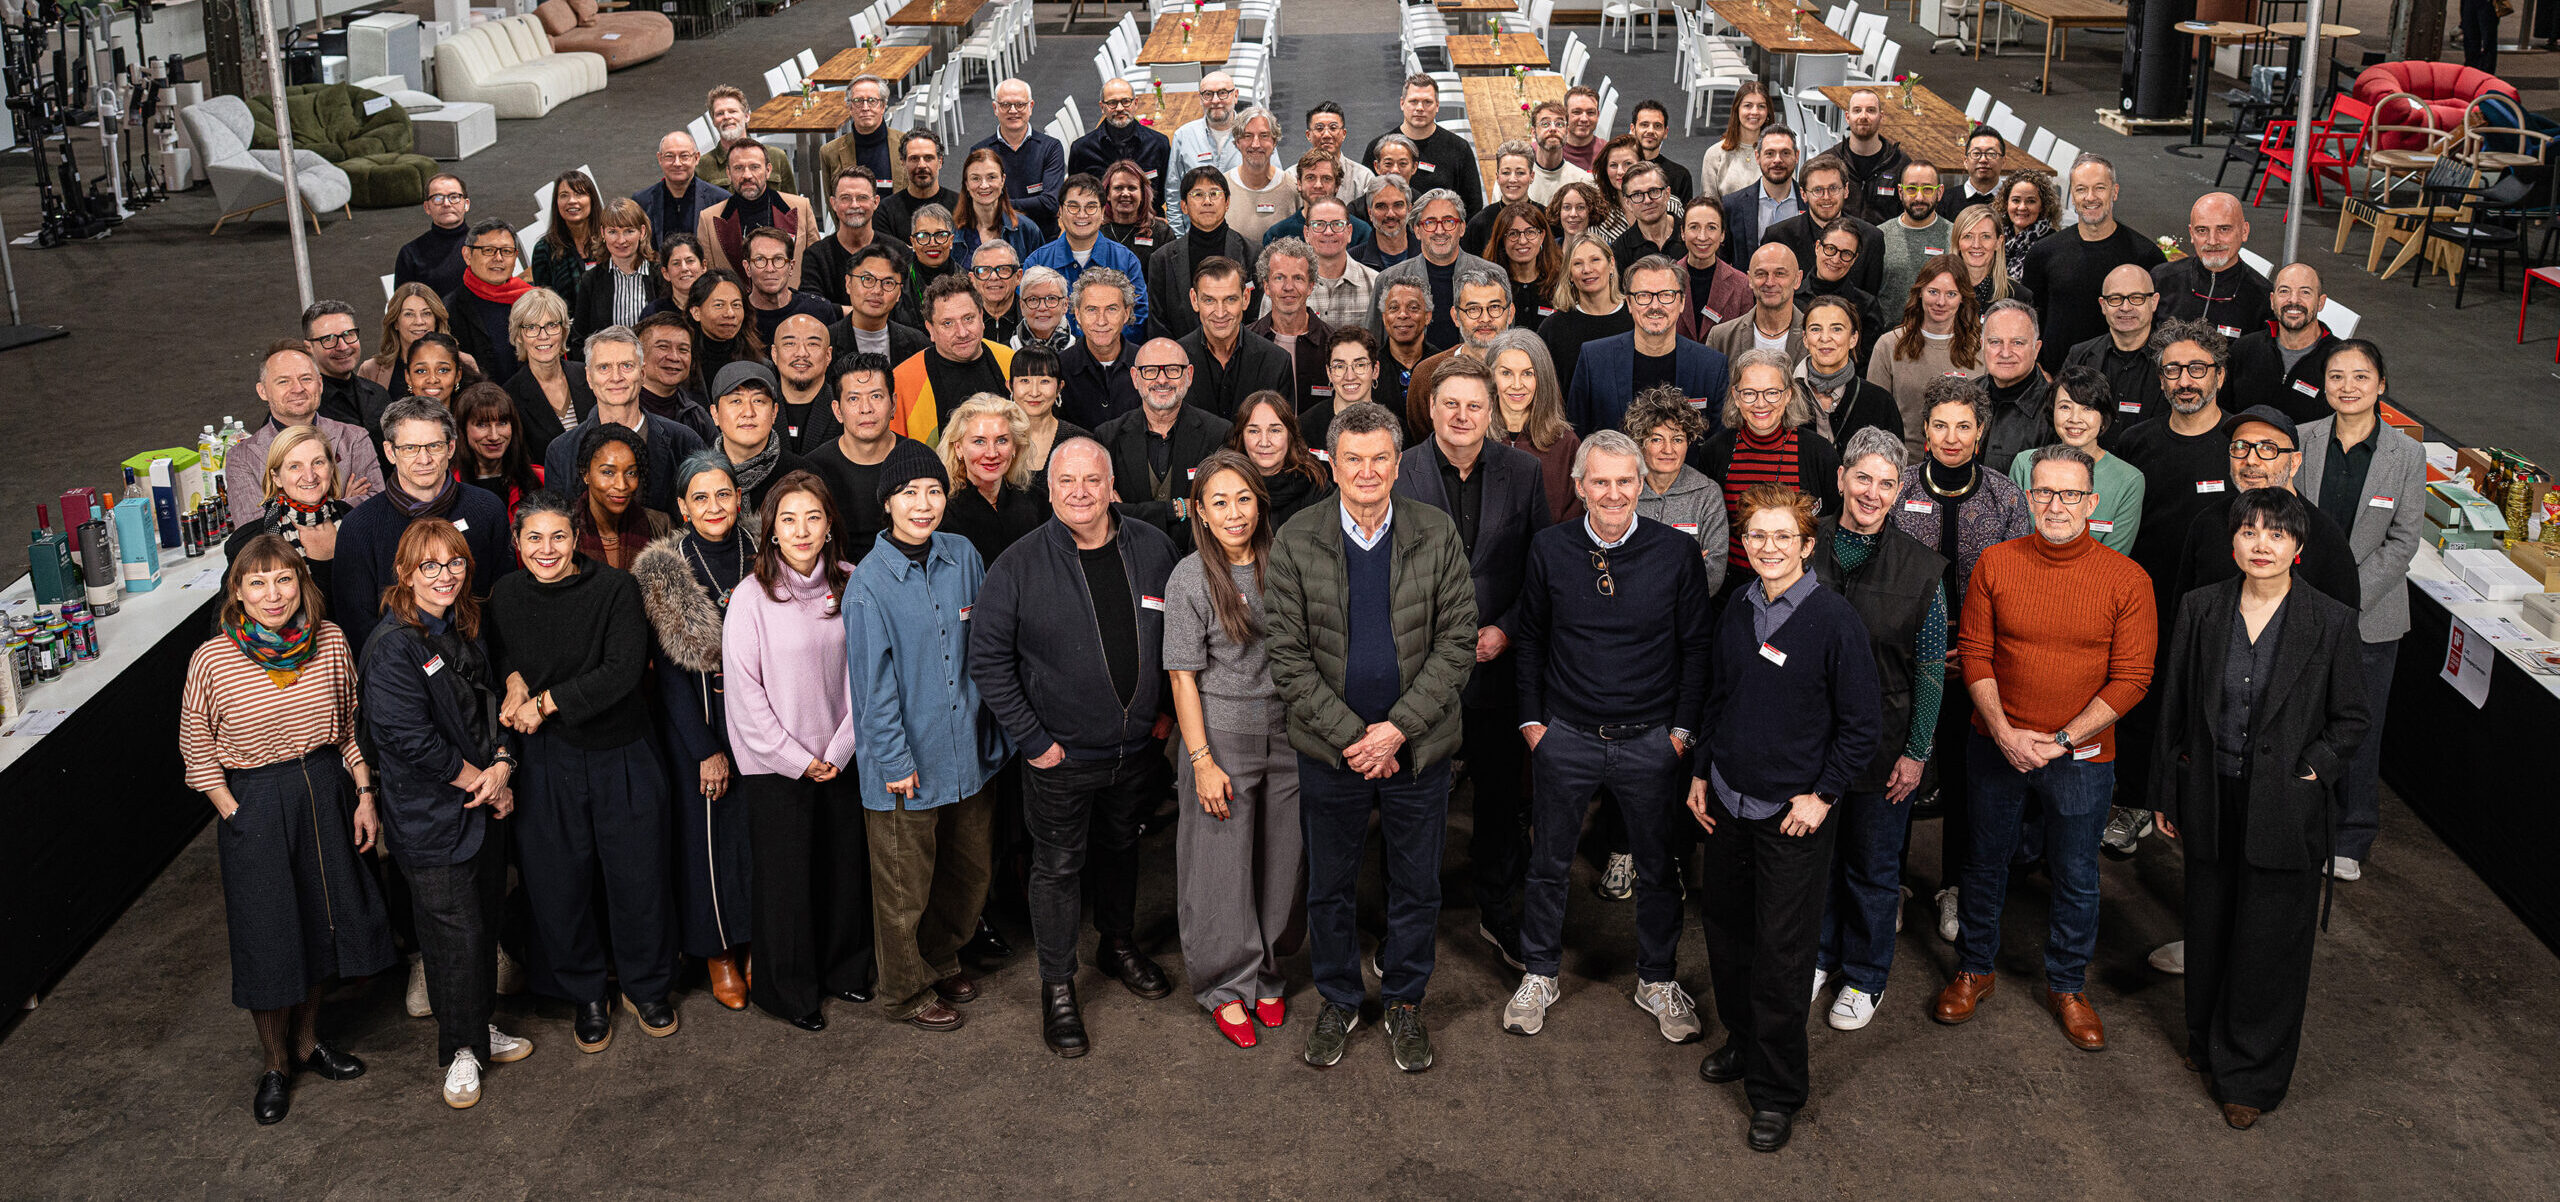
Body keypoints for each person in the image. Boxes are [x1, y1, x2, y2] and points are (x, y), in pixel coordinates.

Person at [1263, 401, 1478, 1072]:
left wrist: (1398, 731)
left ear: (1397, 463)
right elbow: (1287, 657)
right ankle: (1339, 999)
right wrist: (1356, 737)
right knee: (1329, 885)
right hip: (1333, 751)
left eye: (1379, 458)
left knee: (1416, 885)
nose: (1366, 471)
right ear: (1332, 464)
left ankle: (1406, 1001)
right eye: (1353, 459)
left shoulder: (1434, 530)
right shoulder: (1297, 537)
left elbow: (1458, 641)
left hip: (1418, 748)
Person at [2148, 487, 2369, 1129]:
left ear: (2298, 547)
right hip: (2211, 792)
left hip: (2285, 801)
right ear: (2233, 542)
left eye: (2276, 534)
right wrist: (2167, 791)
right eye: (2249, 532)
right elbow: (2174, 706)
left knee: (2269, 942)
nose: (2261, 545)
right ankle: (2206, 1042)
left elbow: (2352, 718)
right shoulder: (2201, 608)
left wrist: (2313, 769)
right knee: (2210, 925)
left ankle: (2250, 1075)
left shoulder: (2330, 621)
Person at [1934, 444, 2157, 1052]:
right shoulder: (1996, 563)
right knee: (1984, 860)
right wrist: (2005, 733)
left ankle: (2067, 985)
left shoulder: (2127, 579)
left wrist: (2061, 740)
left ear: (2093, 501)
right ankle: (1974, 968)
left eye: (2071, 494)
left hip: (2080, 757)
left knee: (2077, 872)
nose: (2057, 505)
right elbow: (1975, 652)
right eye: (2045, 492)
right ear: (2028, 497)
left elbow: (2133, 677)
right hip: (1997, 743)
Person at [969, 437, 1182, 1056]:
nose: (1081, 493)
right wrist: (1034, 741)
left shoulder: (1153, 548)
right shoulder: (1019, 565)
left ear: (1113, 487)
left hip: (1136, 751)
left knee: (1121, 849)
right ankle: (1058, 985)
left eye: (1093, 480)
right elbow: (987, 660)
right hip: (1059, 758)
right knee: (1058, 868)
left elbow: (1180, 636)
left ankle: (1116, 945)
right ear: (1050, 489)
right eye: (1067, 482)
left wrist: (1165, 715)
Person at [1691, 483, 1882, 1154]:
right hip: (1728, 802)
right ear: (1744, 544)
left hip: (1791, 817)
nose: (1768, 547)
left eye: (1783, 537)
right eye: (1757, 536)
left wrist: (1822, 796)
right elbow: (1718, 697)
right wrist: (1700, 773)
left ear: (1806, 545)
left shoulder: (1834, 621)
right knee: (1726, 934)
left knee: (1781, 954)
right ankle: (1743, 1042)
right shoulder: (1738, 607)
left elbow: (1862, 726)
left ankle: (1776, 1092)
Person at [1504, 427, 1709, 1043]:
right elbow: (1530, 639)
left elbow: (1697, 648)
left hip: (1651, 742)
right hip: (1565, 737)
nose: (1614, 493)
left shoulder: (1676, 553)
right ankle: (1539, 973)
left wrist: (1680, 734)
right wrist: (1533, 724)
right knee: (1547, 865)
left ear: (1641, 484)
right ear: (1580, 486)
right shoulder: (1550, 547)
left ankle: (1657, 979)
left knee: (1658, 868)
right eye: (1601, 482)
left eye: (1625, 481)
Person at [180, 536, 393, 1125]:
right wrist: (234, 812)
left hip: (325, 789)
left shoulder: (330, 642)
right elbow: (196, 747)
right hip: (255, 799)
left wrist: (364, 794)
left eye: (284, 580)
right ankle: (275, 1064)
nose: (272, 595)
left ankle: (307, 1043)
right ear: (237, 592)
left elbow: (350, 727)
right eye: (258, 583)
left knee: (321, 924)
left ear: (302, 584)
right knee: (269, 935)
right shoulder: (212, 659)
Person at [483, 487, 679, 1056]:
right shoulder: (506, 594)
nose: (546, 549)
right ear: (517, 542)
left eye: (558, 536)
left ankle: (646, 987)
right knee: (558, 882)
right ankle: (587, 993)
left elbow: (622, 671)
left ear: (576, 539)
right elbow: (501, 653)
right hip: (547, 763)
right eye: (534, 538)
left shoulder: (615, 589)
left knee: (639, 877)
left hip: (622, 753)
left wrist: (542, 703)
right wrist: (513, 679)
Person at [358, 519, 535, 1108]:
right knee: (451, 937)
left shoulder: (466, 624)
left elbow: (492, 707)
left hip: (481, 807)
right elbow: (409, 740)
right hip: (431, 819)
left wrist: (503, 765)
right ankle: (460, 1051)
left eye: (455, 563)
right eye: (429, 566)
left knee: (481, 925)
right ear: (405, 574)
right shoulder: (392, 646)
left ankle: (477, 1027)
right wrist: (485, 782)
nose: (445, 576)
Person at [1393, 356, 1552, 970]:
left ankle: (1498, 909)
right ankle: (1406, 926)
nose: (1462, 416)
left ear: (1493, 413)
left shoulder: (1523, 471)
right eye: (1451, 404)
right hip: (1417, 671)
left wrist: (1507, 630)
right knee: (1413, 802)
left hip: (1496, 669)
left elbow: (1539, 567)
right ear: (1431, 408)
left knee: (1498, 803)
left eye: (1474, 406)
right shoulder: (1398, 470)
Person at [843, 443, 1008, 1032]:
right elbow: (871, 689)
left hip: (968, 754)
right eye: (909, 493)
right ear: (887, 504)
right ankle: (905, 991)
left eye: (934, 491)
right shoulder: (868, 585)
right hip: (906, 765)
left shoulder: (962, 555)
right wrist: (894, 761)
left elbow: (987, 645)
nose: (923, 503)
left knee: (967, 876)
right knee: (903, 892)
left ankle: (940, 960)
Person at [720, 473, 876, 1030]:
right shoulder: (750, 596)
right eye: (788, 519)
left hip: (842, 757)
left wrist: (841, 748)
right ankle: (788, 992)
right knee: (787, 884)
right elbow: (744, 695)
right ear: (771, 531)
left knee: (844, 870)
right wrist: (797, 759)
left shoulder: (855, 583)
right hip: (777, 767)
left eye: (813, 517)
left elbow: (871, 674)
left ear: (830, 523)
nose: (802, 530)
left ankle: (845, 971)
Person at [1159, 450, 1304, 1048]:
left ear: (1260, 504)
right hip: (1221, 735)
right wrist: (1201, 762)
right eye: (1219, 502)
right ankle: (1226, 985)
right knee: (1220, 869)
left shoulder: (1286, 561)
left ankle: (1267, 971)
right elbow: (1182, 677)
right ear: (1200, 511)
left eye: (1244, 498)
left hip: (1290, 735)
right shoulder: (1190, 576)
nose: (1234, 512)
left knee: (1282, 861)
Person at [1808, 430, 1949, 1032]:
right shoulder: (1802, 543)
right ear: (1841, 478)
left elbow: (1931, 671)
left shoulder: (1921, 569)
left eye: (1886, 483)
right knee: (1815, 861)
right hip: (1809, 741)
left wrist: (1916, 754)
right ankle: (1819, 956)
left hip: (1883, 745)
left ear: (1899, 492)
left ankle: (1866, 975)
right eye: (1862, 478)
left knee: (1871, 866)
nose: (1872, 493)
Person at [1895, 379, 2032, 939]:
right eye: (1941, 425)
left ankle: (1953, 886)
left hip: (1979, 658)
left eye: (1964, 426)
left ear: (1981, 433)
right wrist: (1920, 649)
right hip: (1905, 656)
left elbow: (2019, 585)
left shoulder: (2005, 497)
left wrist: (1974, 649)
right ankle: (1890, 884)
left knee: (1963, 777)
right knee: (1900, 773)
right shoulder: (1899, 489)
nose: (1952, 437)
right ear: (1925, 432)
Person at [630, 454, 757, 1013]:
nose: (714, 507)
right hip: (700, 722)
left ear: (739, 498)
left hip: (765, 717)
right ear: (682, 506)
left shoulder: (764, 550)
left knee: (759, 836)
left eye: (723, 494)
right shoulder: (665, 568)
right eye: (700, 498)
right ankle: (720, 953)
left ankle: (761, 939)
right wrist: (705, 750)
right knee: (710, 843)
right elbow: (671, 677)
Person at [2293, 341, 2423, 884]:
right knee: (2301, 723)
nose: (2348, 387)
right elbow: (2287, 519)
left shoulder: (2406, 454)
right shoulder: (2301, 440)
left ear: (2381, 384)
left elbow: (2403, 540)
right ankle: (2300, 823)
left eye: (2361, 376)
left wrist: (2346, 596)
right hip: (2301, 605)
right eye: (2337, 376)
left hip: (2372, 617)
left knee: (2359, 729)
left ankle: (2352, 835)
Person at [334, 397, 512, 654]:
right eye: (410, 448)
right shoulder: (359, 526)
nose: (424, 459)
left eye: (434, 446)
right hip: (399, 668)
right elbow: (358, 625)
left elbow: (504, 602)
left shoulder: (487, 509)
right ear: (390, 452)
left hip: (483, 660)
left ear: (451, 448)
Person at [1695, 348, 1841, 569]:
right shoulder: (1715, 451)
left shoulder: (1819, 452)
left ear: (1788, 394)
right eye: (1749, 393)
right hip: (1733, 583)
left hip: (1800, 580)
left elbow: (1833, 526)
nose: (1761, 403)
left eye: (1772, 392)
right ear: (1736, 396)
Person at [541, 327, 709, 516]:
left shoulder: (685, 442)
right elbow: (558, 524)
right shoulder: (561, 450)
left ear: (642, 373)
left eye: (626, 366)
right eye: (604, 367)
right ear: (589, 377)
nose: (616, 377)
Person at [2022, 154, 2165, 372]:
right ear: (2072, 196)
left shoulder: (2146, 256)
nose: (2090, 197)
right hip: (2057, 378)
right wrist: (2038, 370)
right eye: (2081, 189)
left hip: (2122, 378)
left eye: (2099, 188)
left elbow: (2158, 325)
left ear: (2114, 191)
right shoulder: (2043, 253)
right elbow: (2028, 320)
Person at [1094, 336, 1236, 551]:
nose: (1162, 380)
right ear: (1135, 378)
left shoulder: (1218, 434)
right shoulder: (1107, 438)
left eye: (1172, 370)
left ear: (1189, 375)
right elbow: (1106, 512)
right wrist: (1178, 508)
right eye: (1150, 371)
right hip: (1129, 556)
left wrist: (1133, 510)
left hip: (1200, 559)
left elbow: (1222, 506)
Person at [1567, 256, 1732, 437]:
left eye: (1666, 295)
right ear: (1629, 303)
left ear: (1682, 302)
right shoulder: (1594, 360)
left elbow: (1717, 444)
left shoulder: (1712, 366)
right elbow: (1577, 437)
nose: (1655, 306)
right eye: (1644, 295)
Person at [232, 341, 386, 514]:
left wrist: (284, 514)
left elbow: (377, 508)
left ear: (320, 384)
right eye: (283, 381)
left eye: (306, 378)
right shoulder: (241, 457)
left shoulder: (354, 437)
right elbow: (255, 527)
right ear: (262, 391)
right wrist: (341, 505)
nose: (298, 389)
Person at [2011, 366, 2145, 554]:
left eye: (2087, 408)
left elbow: (2115, 558)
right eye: (2065, 407)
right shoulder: (2025, 464)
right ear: (2052, 411)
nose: (2075, 418)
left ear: (2103, 417)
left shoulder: (2128, 480)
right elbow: (2014, 541)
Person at [805, 352, 927, 558]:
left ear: (893, 404)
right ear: (837, 410)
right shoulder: (813, 469)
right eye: (853, 399)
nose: (866, 409)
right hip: (834, 573)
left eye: (876, 396)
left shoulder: (920, 462)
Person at [1866, 258, 1983, 457]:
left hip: (1963, 465)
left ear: (1963, 297)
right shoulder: (1889, 345)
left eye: (1951, 294)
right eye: (1933, 292)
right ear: (1920, 291)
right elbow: (1874, 417)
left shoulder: (1980, 350)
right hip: (1902, 464)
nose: (1941, 302)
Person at [226, 425, 353, 605]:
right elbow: (228, 615)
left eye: (318, 463)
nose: (309, 476)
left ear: (331, 467)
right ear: (276, 477)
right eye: (294, 466)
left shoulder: (352, 518)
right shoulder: (250, 540)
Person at [1023, 173, 1152, 345]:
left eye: (1091, 207)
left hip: (1111, 356)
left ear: (1102, 212)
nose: (1082, 215)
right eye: (1073, 207)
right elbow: (1029, 315)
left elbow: (1138, 316)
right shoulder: (1037, 261)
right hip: (1053, 356)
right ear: (1060, 211)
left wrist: (1102, 346)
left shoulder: (1126, 260)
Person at [895, 274, 1016, 447]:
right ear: (930, 329)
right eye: (948, 323)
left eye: (968, 318)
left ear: (981, 317)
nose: (962, 333)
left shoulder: (1010, 361)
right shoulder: (904, 380)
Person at [1375, 187, 1501, 348]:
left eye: (1448, 221)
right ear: (1417, 230)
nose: (1440, 231)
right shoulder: (1388, 279)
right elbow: (1373, 344)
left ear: (1462, 228)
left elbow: (1506, 342)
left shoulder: (1494, 276)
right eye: (1430, 223)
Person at [1624, 384, 1731, 573]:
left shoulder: (1707, 494)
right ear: (1640, 442)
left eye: (1678, 440)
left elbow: (1714, 572)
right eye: (1656, 439)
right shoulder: (1623, 489)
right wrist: (1685, 564)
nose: (1668, 450)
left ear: (1689, 442)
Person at [937, 391, 1050, 567]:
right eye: (979, 442)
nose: (991, 453)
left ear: (1015, 446)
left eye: (1002, 440)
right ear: (958, 448)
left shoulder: (1039, 502)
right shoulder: (943, 512)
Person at [1485, 328, 1583, 526]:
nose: (1517, 384)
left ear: (1542, 378)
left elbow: (1573, 519)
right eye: (1506, 373)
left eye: (1528, 373)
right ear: (1491, 377)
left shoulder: (1566, 444)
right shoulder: (1473, 437)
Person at [1150, 169, 1261, 340]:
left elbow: (1257, 318)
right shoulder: (1161, 260)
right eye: (1198, 194)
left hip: (1240, 351)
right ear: (1184, 206)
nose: (1207, 201)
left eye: (1214, 194)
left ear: (1227, 202)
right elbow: (1158, 324)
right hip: (1180, 353)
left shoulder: (1253, 253)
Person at [2061, 263, 2169, 439]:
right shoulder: (2079, 356)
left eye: (2136, 298)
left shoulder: (2174, 360)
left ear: (2154, 302)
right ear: (2103, 305)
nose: (2125, 307)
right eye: (2115, 299)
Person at [2226, 262, 2341, 424]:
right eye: (2284, 291)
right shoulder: (2243, 350)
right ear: (2272, 301)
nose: (2293, 300)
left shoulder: (2341, 360)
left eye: (2305, 292)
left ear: (2320, 302)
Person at [697, 143, 821, 291]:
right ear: (728, 173)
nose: (747, 175)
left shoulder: (801, 208)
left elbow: (816, 264)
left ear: (768, 170)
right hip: (738, 304)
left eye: (754, 167)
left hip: (794, 300)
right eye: (738, 168)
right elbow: (708, 278)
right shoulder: (708, 219)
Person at [1180, 256, 1292, 418]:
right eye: (1209, 300)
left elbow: (1282, 429)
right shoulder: (1174, 361)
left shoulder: (1277, 362)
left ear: (1245, 298)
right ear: (1194, 300)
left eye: (1230, 299)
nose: (1220, 313)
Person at [1402, 267, 1516, 424]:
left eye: (1495, 307)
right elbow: (1421, 436)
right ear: (1455, 317)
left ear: (1510, 313)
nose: (1485, 318)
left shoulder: (1531, 370)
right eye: (1473, 309)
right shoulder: (1425, 375)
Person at [1362, 73, 1484, 215]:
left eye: (1427, 102)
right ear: (1402, 103)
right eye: (1413, 101)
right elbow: (1365, 200)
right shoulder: (1378, 148)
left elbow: (1473, 204)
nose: (1420, 108)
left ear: (1437, 106)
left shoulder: (1459, 148)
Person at [1767, 155, 1886, 300]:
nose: (1826, 197)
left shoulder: (1871, 238)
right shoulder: (1778, 237)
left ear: (1846, 190)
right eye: (1817, 190)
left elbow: (1868, 299)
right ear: (1803, 194)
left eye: (1833, 188)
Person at [704, 360, 816, 513]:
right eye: (736, 401)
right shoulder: (696, 477)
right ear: (715, 413)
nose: (748, 412)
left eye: (758, 401)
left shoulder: (805, 478)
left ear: (774, 412)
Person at [2153, 192, 2270, 337]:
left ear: (2244, 231)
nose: (2212, 241)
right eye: (2202, 230)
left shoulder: (2263, 298)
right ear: (2191, 234)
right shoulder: (2162, 279)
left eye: (2224, 229)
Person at [1797, 294, 1901, 450]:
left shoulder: (1880, 402)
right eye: (1815, 329)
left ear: (1853, 338)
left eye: (1836, 329)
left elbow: (1895, 461)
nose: (1825, 338)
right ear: (1805, 338)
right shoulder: (1787, 397)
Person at [805, 167, 914, 313]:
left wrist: (838, 311)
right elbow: (811, 307)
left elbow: (908, 309)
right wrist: (867, 314)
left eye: (862, 198)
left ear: (876, 202)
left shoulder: (899, 252)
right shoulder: (815, 256)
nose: (854, 205)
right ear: (833, 203)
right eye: (846, 198)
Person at [1539, 232, 1634, 395]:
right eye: (1578, 263)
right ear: (1569, 273)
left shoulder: (1635, 317)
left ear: (1611, 264)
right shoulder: (1553, 328)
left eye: (1595, 260)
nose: (1587, 269)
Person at [502, 289, 592, 462]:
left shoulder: (588, 376)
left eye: (552, 325)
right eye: (532, 327)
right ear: (519, 336)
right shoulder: (510, 397)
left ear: (563, 331)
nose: (543, 336)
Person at [442, 220, 534, 386]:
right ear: (467, 255)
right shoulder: (449, 309)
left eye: (506, 251)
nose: (498, 258)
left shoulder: (532, 299)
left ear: (515, 257)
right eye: (488, 250)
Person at [1247, 238, 1333, 413]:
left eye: (1298, 278)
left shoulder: (1333, 343)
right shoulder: (1246, 341)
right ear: (1266, 286)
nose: (1288, 287)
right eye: (1279, 278)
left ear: (1310, 287)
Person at [1227, 390, 1334, 527]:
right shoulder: (1224, 484)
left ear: (1290, 435)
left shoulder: (1316, 486)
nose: (1264, 442)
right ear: (1241, 436)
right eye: (1254, 431)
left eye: (1275, 430)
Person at [301, 301, 395, 454]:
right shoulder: (302, 407)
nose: (343, 346)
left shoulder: (378, 394)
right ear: (308, 348)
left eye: (348, 334)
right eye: (329, 339)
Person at [1975, 300, 2056, 472]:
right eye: (1995, 342)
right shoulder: (1965, 396)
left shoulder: (2055, 410)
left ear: (2036, 349)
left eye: (2017, 343)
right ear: (1982, 345)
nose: (2005, 353)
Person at [451, 383, 546, 526]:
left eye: (502, 423)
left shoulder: (541, 480)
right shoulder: (447, 488)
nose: (494, 436)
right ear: (463, 430)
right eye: (482, 425)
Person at [1059, 268, 1143, 428]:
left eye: (1111, 309)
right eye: (1092, 310)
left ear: (1126, 313)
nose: (1101, 321)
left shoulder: (1147, 365)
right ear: (1077, 314)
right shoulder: (1058, 368)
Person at [826, 242, 932, 368]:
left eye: (888, 283)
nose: (877, 291)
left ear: (899, 292)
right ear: (848, 283)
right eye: (867, 279)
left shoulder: (918, 345)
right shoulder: (825, 341)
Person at [1798, 220, 1888, 367]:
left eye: (1846, 253)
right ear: (1817, 247)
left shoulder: (1866, 306)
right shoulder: (1792, 298)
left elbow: (1868, 364)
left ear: (1854, 259)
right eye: (1830, 249)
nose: (1835, 259)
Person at [365, 284, 483, 396]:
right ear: (395, 322)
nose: (419, 321)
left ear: (436, 320)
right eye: (409, 314)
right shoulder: (371, 370)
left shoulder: (465, 362)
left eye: (426, 313)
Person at [1165, 72, 1246, 233]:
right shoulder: (1184, 136)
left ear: (1235, 96)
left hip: (1241, 235)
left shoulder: (1253, 135)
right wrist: (1180, 238)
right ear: (1200, 99)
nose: (1215, 100)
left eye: (1222, 93)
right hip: (1196, 236)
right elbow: (1173, 193)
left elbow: (1272, 182)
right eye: (1208, 94)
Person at [573, 200, 661, 346]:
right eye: (613, 232)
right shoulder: (591, 280)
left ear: (642, 232)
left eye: (629, 231)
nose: (621, 240)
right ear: (603, 233)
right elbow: (579, 338)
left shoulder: (660, 276)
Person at [1707, 244, 1808, 366]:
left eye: (1780, 273)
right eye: (1761, 274)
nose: (1770, 282)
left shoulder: (1816, 337)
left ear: (1798, 279)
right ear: (1750, 279)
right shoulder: (1721, 337)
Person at [739, 228, 840, 346]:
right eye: (760, 259)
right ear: (747, 268)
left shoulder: (819, 310)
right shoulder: (736, 315)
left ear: (791, 267)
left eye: (778, 259)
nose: (770, 269)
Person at [1875, 163, 1951, 319]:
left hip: (1940, 332)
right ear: (1900, 191)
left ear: (1939, 192)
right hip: (1888, 332)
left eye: (1927, 189)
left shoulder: (1955, 236)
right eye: (1911, 189)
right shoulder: (1879, 235)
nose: (1919, 197)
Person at [1718, 126, 1802, 266]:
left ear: (1797, 156)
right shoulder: (1732, 205)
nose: (1777, 160)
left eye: (1785, 153)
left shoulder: (1810, 203)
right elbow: (1723, 263)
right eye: (1770, 153)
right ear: (1757, 157)